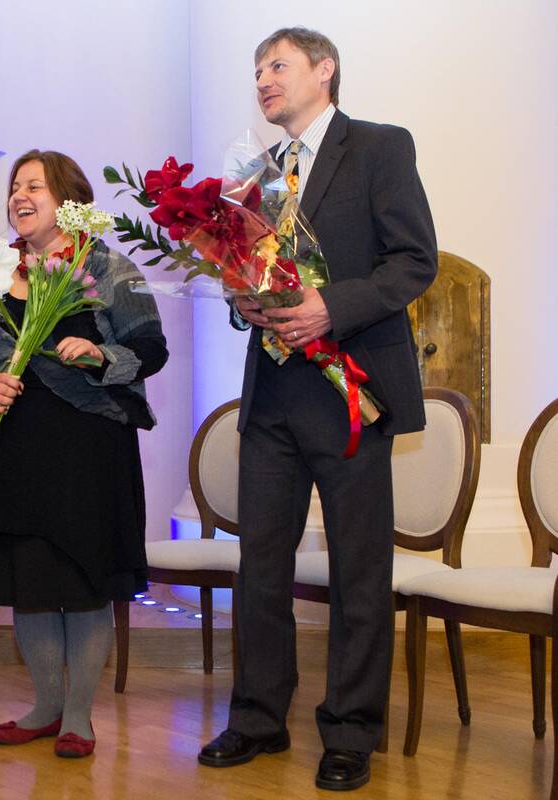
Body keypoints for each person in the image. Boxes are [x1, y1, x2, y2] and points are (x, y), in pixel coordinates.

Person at [197, 28, 437, 792]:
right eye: (256, 69)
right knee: (260, 568)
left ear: (323, 69)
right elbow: (250, 272)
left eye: (278, 65)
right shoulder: (256, 170)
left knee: (358, 572)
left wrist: (330, 307)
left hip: (351, 393)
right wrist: (244, 301)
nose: (263, 79)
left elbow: (414, 260)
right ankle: (258, 719)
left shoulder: (379, 147)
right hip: (272, 398)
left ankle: (351, 731)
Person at [0, 150, 167, 758]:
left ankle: (78, 716)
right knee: (30, 583)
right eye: (15, 187)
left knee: (84, 580)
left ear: (68, 201)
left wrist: (100, 355)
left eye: (35, 186)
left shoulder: (110, 267)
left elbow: (152, 350)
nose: (19, 196)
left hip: (88, 451)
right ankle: (45, 706)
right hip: (12, 449)